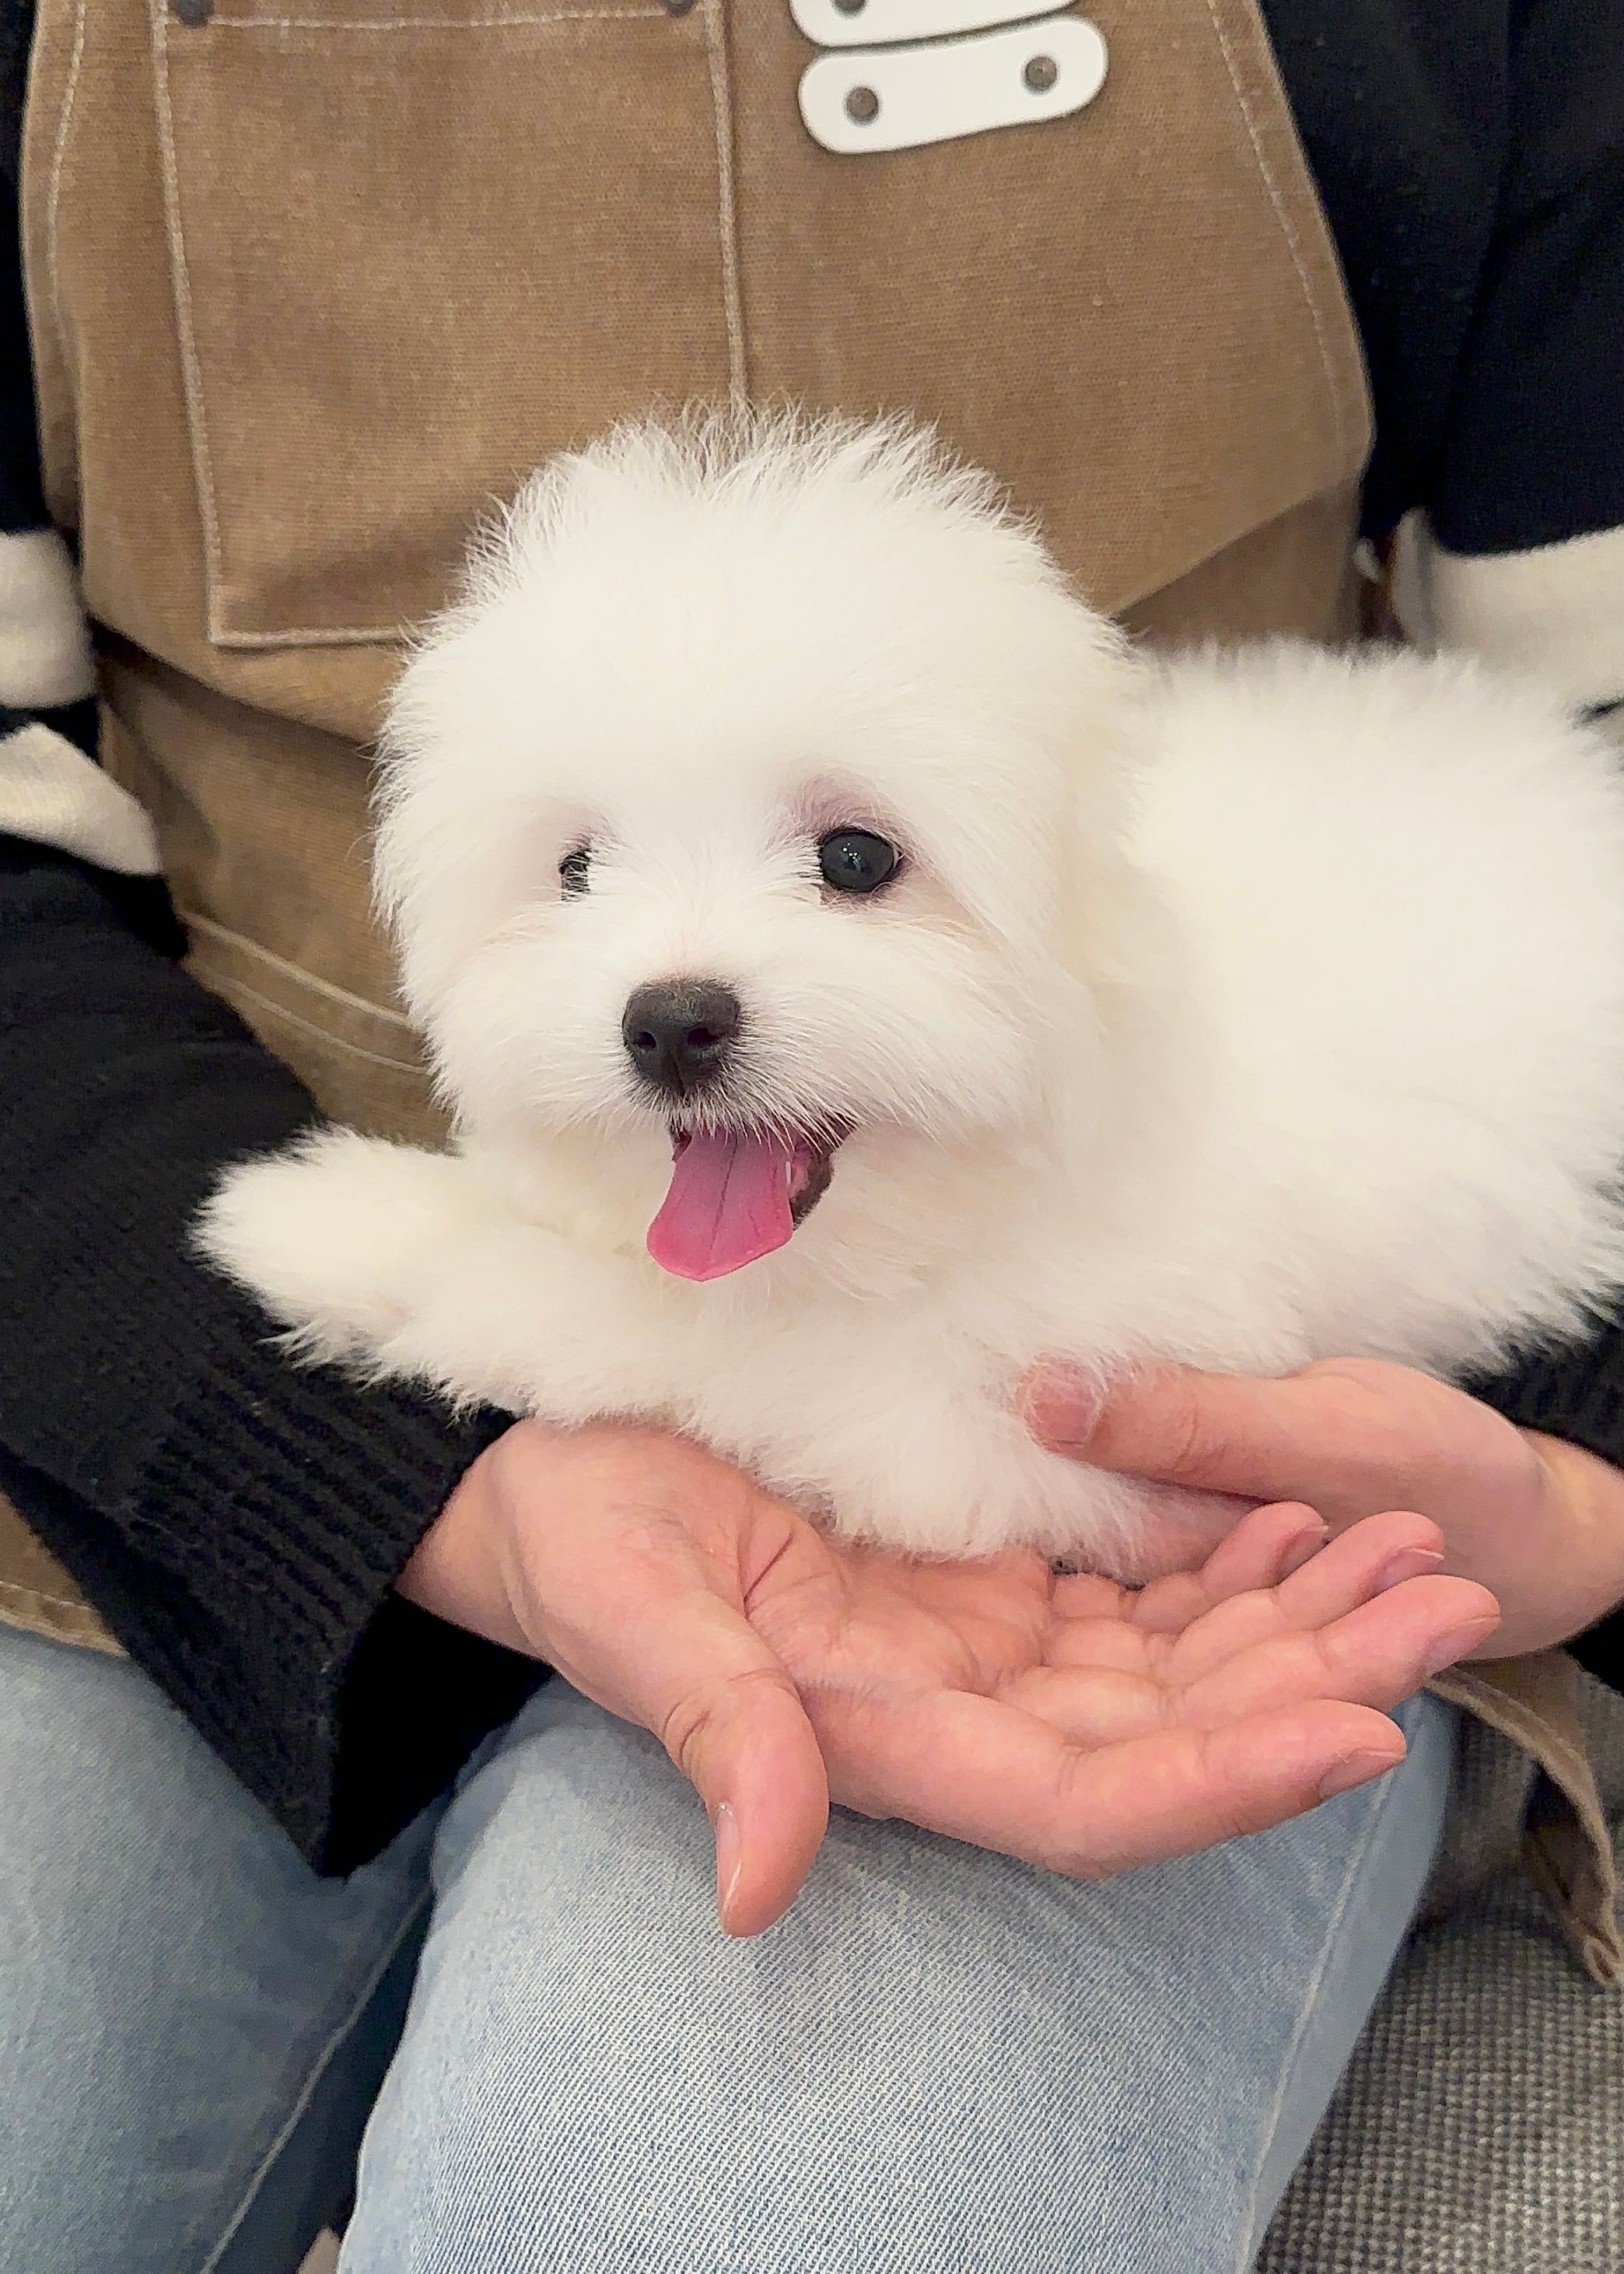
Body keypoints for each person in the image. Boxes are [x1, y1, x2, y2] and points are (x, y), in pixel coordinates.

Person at [1, 1, 1620, 2268]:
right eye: (577, 874)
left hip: (1161, 1554)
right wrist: (381, 1455)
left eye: (849, 862)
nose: (682, 981)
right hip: (139, 1336)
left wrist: (1588, 1473)